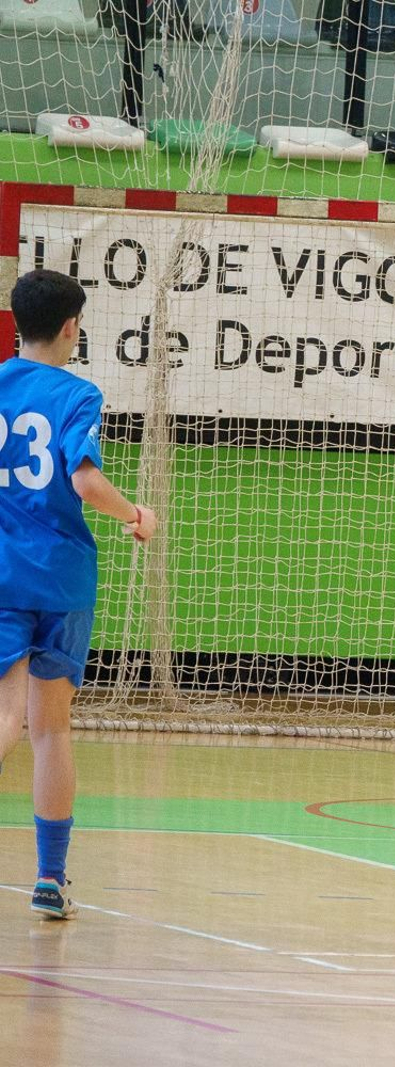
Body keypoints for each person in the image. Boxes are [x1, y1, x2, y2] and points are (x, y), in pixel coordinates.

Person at [0, 269, 159, 920]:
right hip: (60, 576)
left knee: (9, 713)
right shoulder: (78, 393)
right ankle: (50, 875)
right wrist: (136, 515)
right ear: (72, 326)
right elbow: (86, 479)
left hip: (4, 570)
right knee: (49, 727)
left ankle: (52, 876)